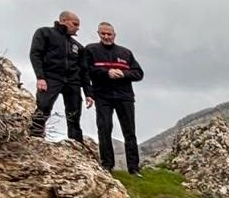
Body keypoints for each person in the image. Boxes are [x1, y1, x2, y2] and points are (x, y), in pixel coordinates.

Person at [81, 22, 145, 175]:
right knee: (104, 129)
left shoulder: (125, 53)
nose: (106, 37)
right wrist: (106, 73)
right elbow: (86, 71)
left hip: (125, 97)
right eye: (103, 33)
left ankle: (134, 168)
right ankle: (107, 165)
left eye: (109, 34)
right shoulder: (91, 50)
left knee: (129, 132)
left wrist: (124, 74)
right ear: (98, 33)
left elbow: (138, 73)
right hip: (103, 96)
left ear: (114, 35)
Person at [28, 11, 85, 142]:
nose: (77, 28)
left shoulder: (77, 46)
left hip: (72, 81)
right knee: (44, 106)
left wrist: (88, 91)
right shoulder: (44, 33)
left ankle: (76, 141)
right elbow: (35, 54)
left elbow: (83, 70)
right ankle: (35, 135)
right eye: (75, 24)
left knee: (74, 112)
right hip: (51, 77)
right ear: (63, 20)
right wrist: (40, 77)